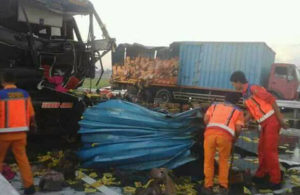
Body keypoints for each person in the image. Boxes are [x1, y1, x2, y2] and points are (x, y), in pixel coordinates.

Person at [230, 71, 287, 190]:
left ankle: (275, 180)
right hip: (263, 122)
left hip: (271, 120)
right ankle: (261, 174)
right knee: (261, 149)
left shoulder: (254, 88)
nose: (233, 86)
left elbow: (271, 99)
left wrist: (280, 119)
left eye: (233, 84)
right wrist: (244, 121)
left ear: (239, 82)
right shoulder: (245, 94)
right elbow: (252, 111)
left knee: (270, 151)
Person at [0, 71, 36, 194]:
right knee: (22, 160)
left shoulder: (1, 95)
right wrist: (33, 126)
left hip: (3, 135)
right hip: (21, 134)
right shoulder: (24, 94)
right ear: (15, 81)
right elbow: (31, 114)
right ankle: (29, 187)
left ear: (3, 81)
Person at [202, 93, 244, 195]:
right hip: (225, 137)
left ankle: (208, 186)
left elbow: (205, 120)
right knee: (223, 161)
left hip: (210, 135)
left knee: (208, 160)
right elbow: (238, 128)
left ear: (224, 99)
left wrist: (212, 128)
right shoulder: (238, 111)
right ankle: (223, 187)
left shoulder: (214, 106)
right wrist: (235, 138)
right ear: (237, 101)